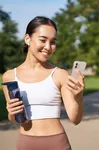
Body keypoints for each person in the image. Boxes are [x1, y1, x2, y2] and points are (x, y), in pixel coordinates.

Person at [2, 16, 84, 150]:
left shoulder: (60, 74)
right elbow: (16, 119)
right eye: (43, 40)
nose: (48, 47)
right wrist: (12, 112)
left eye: (53, 42)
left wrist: (78, 97)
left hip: (57, 143)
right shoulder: (10, 76)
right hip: (26, 143)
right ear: (27, 38)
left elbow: (75, 119)